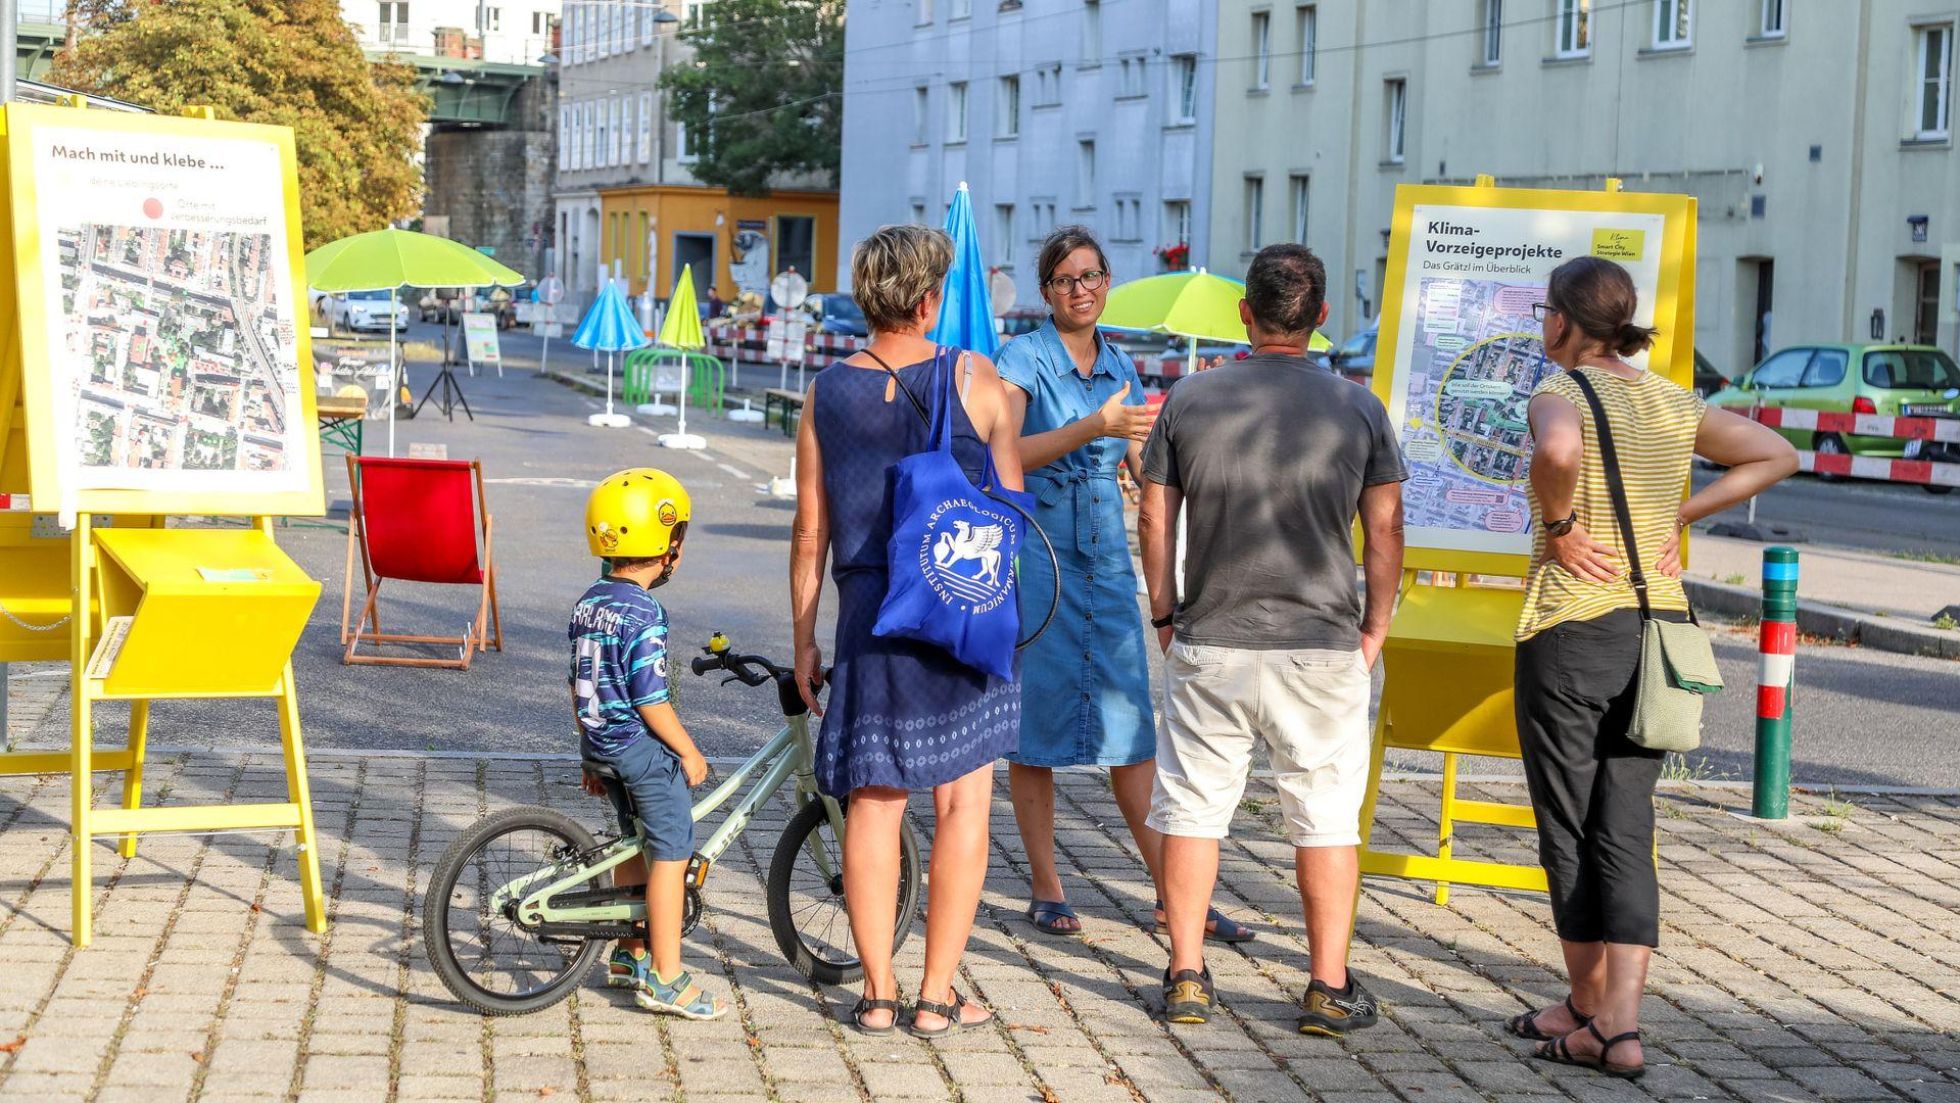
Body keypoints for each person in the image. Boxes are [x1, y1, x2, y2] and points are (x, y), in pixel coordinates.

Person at [1509, 256, 1797, 1079]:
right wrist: (1679, 510)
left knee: (1568, 821)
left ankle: (1591, 1007)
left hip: (1570, 625)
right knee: (1628, 826)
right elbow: (1774, 454)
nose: (1543, 326)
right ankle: (1617, 1024)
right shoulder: (1673, 400)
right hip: (1661, 627)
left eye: (1545, 313)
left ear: (1563, 321)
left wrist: (1560, 523)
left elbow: (1558, 449)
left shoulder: (1558, 391)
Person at [1138, 243, 1407, 1034]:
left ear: (1243, 314)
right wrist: (1375, 627)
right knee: (1325, 816)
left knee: (1191, 806)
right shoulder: (1359, 408)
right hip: (1322, 641)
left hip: (1211, 634)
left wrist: (1164, 611)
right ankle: (1327, 986)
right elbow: (1385, 526)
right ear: (1321, 319)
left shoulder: (1189, 399)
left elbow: (1155, 516)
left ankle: (1186, 973)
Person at [789, 224, 1024, 1039]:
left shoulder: (825, 392)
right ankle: (937, 994)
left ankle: (878, 993)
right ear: (931, 300)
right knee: (963, 804)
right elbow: (1010, 507)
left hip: (868, 616)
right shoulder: (975, 375)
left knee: (875, 803)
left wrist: (804, 638)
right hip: (960, 608)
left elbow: (808, 529)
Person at [995, 226, 1251, 944]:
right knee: (1035, 731)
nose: (1081, 287)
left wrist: (1200, 487)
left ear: (1106, 283)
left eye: (1092, 275)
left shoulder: (1120, 366)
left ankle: (1176, 894)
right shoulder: (1021, 357)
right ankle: (1047, 885)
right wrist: (1091, 427)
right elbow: (1004, 455)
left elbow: (1142, 463)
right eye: (1066, 278)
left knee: (1134, 731)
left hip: (1108, 560)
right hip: (1040, 558)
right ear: (1047, 291)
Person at [571, 468, 726, 1021]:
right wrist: (688, 751)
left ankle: (628, 952)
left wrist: (588, 751)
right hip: (637, 748)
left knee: (632, 841)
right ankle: (666, 976)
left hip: (602, 742)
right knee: (671, 851)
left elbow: (579, 682)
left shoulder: (589, 602)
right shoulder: (645, 613)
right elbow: (651, 700)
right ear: (667, 544)